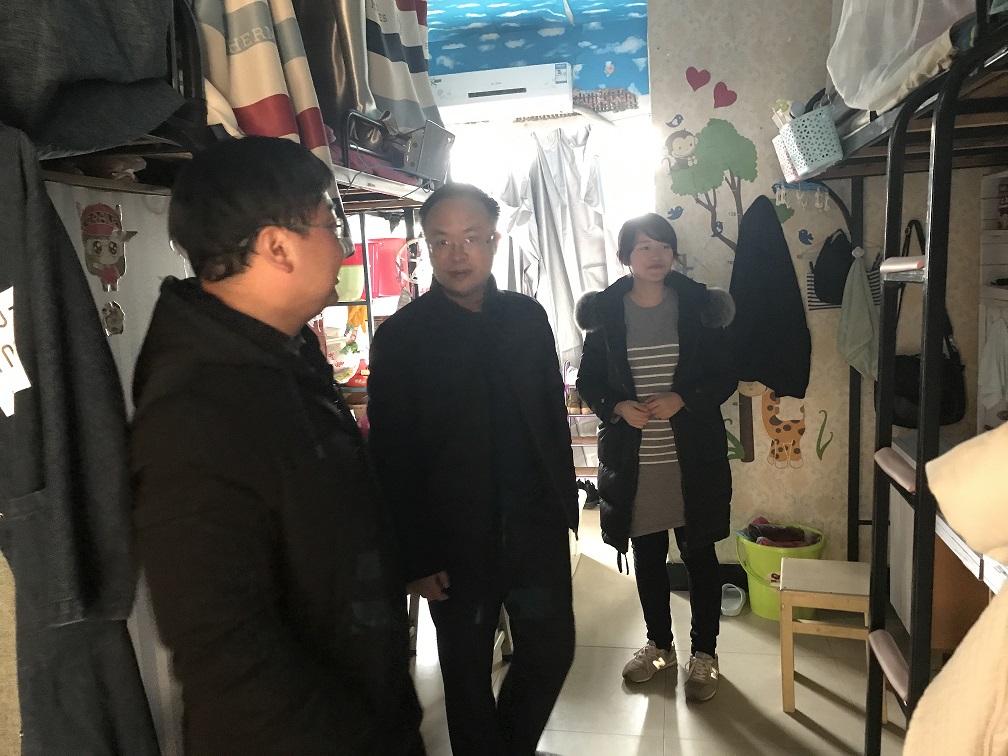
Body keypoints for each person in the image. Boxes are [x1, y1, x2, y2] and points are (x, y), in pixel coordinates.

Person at [129, 136, 425, 755]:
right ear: (277, 246)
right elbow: (225, 649)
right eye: (332, 224)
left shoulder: (282, 353)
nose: (345, 246)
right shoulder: (196, 410)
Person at [366, 183, 578, 756]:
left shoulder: (527, 318)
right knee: (465, 673)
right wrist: (414, 556)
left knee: (551, 652)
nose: (457, 255)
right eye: (441, 241)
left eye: (471, 238)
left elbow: (550, 417)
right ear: (426, 248)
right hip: (453, 542)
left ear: (494, 241)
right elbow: (391, 455)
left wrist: (564, 505)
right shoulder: (402, 338)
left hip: (533, 529)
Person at [574, 212, 736, 702]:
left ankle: (704, 654)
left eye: (663, 245)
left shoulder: (698, 306)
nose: (655, 254)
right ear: (625, 256)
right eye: (643, 246)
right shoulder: (606, 312)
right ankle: (659, 646)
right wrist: (617, 406)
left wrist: (683, 398)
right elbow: (589, 381)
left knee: (700, 556)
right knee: (647, 555)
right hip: (635, 461)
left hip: (692, 459)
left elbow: (725, 374)